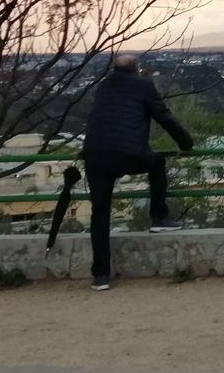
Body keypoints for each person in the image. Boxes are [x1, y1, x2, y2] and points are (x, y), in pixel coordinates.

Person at [81, 53, 195, 289]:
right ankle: (158, 216)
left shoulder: (102, 87)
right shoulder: (143, 85)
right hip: (127, 154)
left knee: (99, 214)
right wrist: (186, 144)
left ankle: (100, 275)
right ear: (136, 69)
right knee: (157, 164)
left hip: (94, 155)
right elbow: (164, 117)